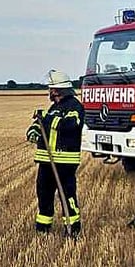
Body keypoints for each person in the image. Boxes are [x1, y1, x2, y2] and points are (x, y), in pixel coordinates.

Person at [26, 69, 86, 238]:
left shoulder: (75, 106)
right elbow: (43, 124)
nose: (50, 91)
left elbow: (72, 124)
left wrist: (46, 118)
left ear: (60, 89)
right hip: (46, 161)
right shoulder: (54, 107)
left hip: (64, 160)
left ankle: (73, 228)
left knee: (67, 194)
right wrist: (34, 129)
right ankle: (43, 227)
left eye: (52, 88)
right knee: (43, 193)